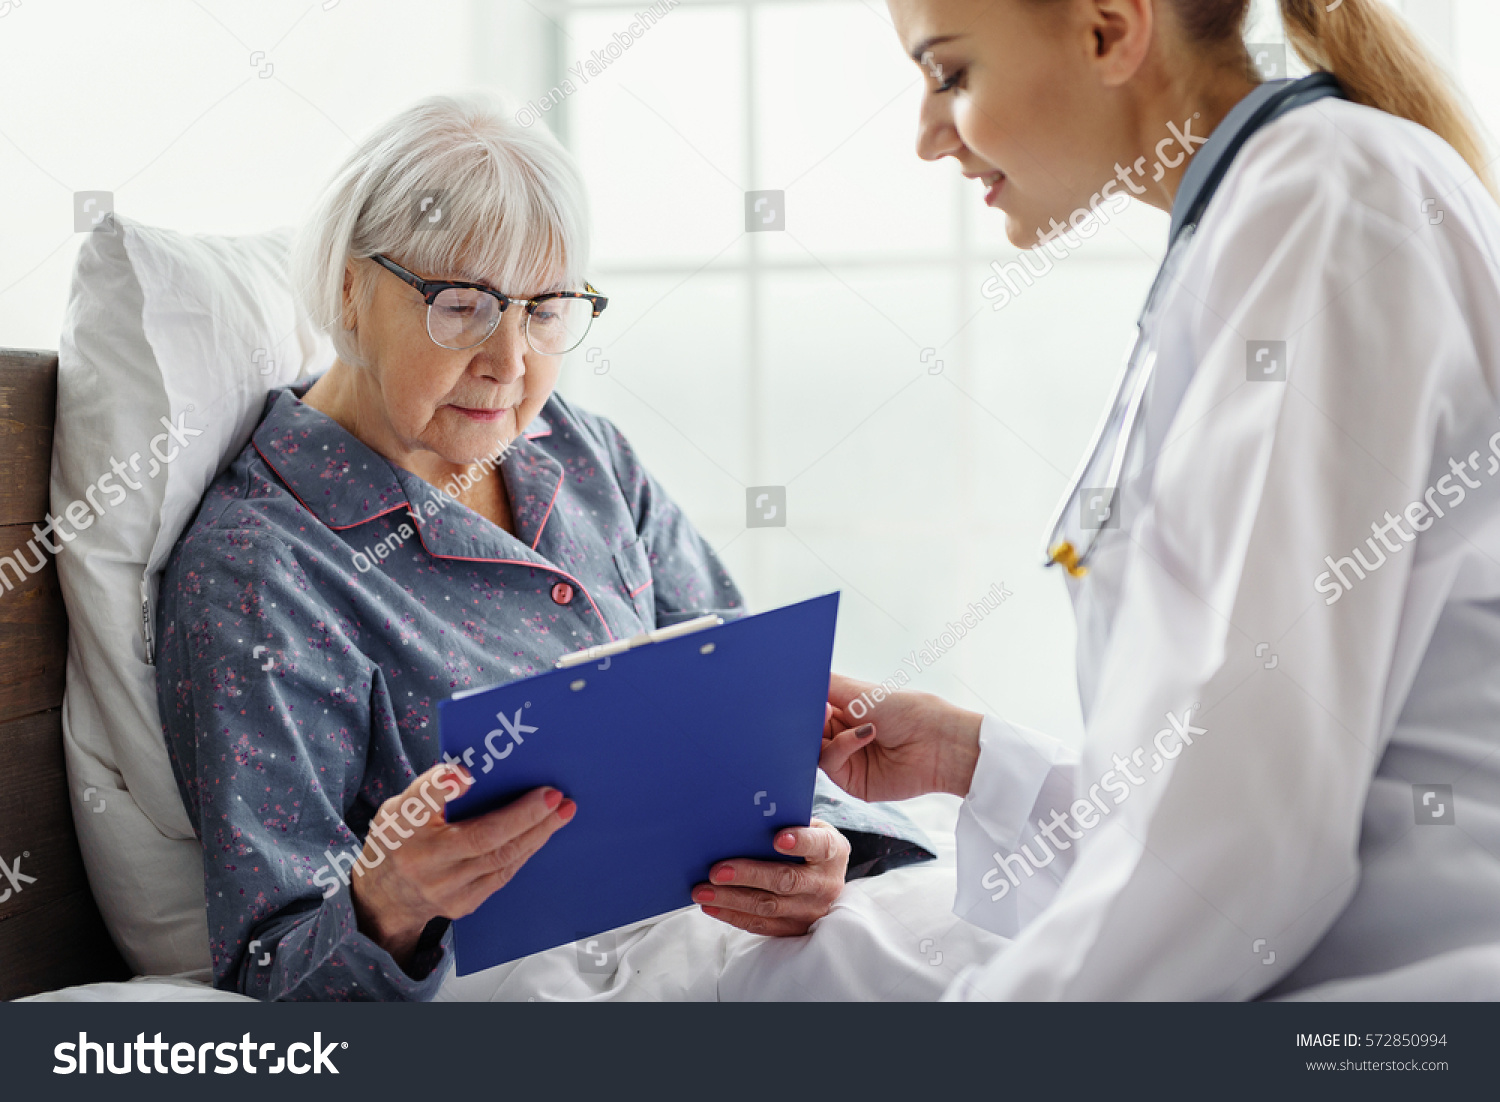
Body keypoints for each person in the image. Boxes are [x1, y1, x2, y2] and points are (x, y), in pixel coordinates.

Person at [156, 93, 931, 1001]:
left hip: (718, 927)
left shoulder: (579, 447)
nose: (511, 363)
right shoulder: (261, 567)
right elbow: (272, 973)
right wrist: (391, 899)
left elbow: (753, 706)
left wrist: (818, 845)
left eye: (546, 311)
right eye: (464, 308)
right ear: (348, 290)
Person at [819, 0, 1500, 999]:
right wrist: (978, 763)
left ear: (1109, 29)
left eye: (950, 76)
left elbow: (1243, 832)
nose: (929, 138)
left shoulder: (1320, 198)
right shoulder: (1253, 220)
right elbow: (1210, 790)